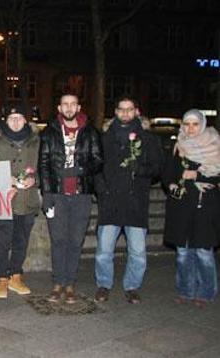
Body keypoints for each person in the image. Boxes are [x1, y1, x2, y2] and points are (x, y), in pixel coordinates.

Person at [94, 96, 163, 304]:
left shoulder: (148, 139)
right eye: (121, 109)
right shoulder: (105, 138)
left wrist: (140, 170)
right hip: (111, 203)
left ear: (136, 111)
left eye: (129, 109)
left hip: (135, 204)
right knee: (103, 252)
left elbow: (158, 168)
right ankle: (104, 284)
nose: (125, 113)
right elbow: (96, 168)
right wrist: (102, 191)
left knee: (138, 253)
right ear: (115, 112)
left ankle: (132, 286)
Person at [39, 93, 103, 304]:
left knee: (75, 241)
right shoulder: (50, 132)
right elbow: (44, 164)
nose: (68, 108)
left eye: (72, 104)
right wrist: (47, 193)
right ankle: (57, 284)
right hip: (57, 195)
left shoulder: (90, 132)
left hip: (81, 195)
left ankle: (70, 284)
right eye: (65, 104)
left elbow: (98, 161)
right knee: (58, 240)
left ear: (78, 107)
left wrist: (80, 169)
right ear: (59, 108)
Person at [162, 109, 220, 308]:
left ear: (202, 124)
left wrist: (197, 176)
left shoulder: (215, 144)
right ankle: (186, 290)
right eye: (187, 124)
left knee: (204, 252)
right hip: (182, 205)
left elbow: (217, 176)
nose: (191, 128)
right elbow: (168, 172)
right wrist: (171, 184)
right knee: (183, 252)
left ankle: (206, 292)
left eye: (195, 124)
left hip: (206, 205)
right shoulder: (178, 145)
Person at [0, 105, 39, 299]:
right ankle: (1, 277)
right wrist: (5, 178)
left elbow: (44, 165)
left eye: (20, 117)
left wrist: (35, 179)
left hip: (27, 199)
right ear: (6, 120)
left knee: (21, 240)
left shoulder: (36, 141)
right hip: (4, 198)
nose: (16, 121)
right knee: (2, 240)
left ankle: (15, 275)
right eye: (12, 118)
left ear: (26, 120)